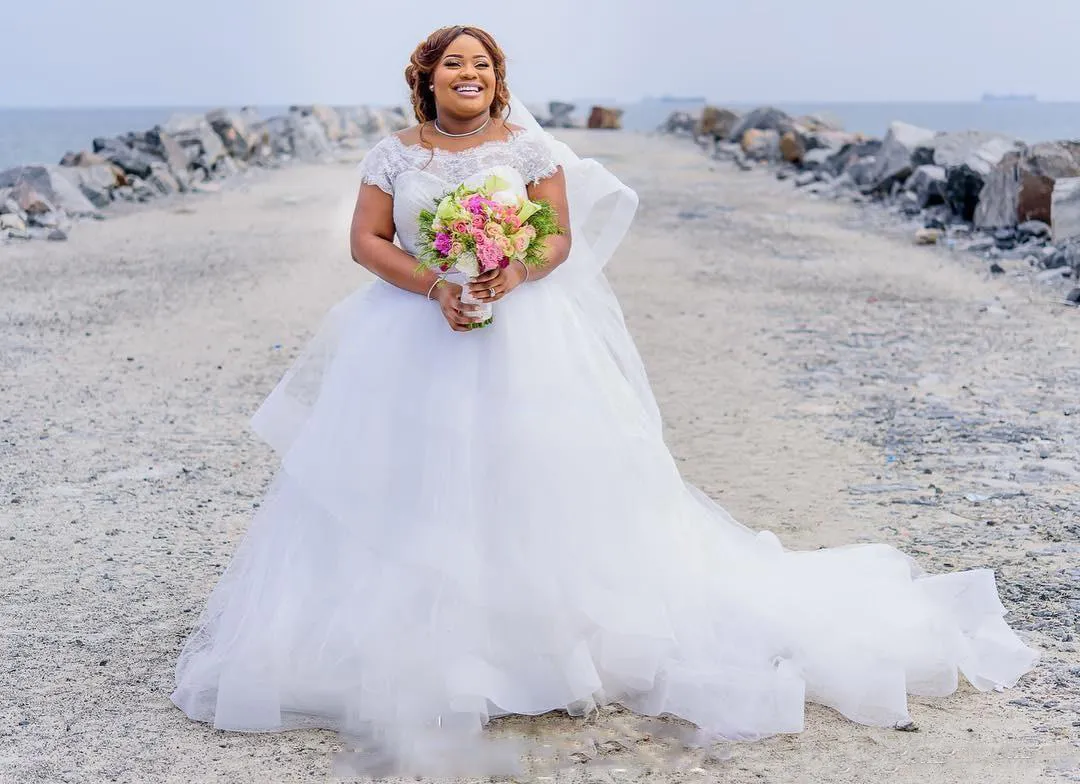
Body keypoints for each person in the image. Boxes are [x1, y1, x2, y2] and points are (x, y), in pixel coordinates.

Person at [171, 24, 1037, 760]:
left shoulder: (528, 147)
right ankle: (411, 646)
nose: (467, 75)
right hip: (411, 328)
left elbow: (555, 238)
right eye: (451, 64)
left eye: (481, 65)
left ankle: (549, 645)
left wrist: (504, 274)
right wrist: (437, 284)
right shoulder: (393, 154)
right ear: (424, 78)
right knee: (406, 477)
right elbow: (365, 241)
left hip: (523, 332)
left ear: (496, 80)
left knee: (535, 478)